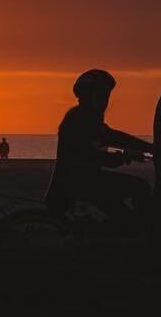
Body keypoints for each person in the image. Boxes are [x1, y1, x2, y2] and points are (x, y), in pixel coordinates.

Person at [44, 69, 153, 231]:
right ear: (87, 96)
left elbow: (116, 138)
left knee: (123, 218)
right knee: (140, 187)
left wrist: (151, 148)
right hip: (77, 184)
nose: (105, 102)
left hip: (87, 182)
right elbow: (90, 155)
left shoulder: (90, 118)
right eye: (101, 96)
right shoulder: (77, 119)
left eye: (107, 97)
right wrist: (124, 156)